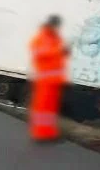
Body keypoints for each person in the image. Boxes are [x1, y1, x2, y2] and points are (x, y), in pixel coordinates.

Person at [29, 14, 70, 142]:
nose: (56, 27)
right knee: (43, 108)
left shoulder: (55, 38)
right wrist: (59, 51)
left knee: (50, 109)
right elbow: (40, 54)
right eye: (55, 25)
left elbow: (58, 55)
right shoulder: (41, 38)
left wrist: (64, 51)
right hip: (45, 80)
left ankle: (48, 133)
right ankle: (40, 133)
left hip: (54, 80)